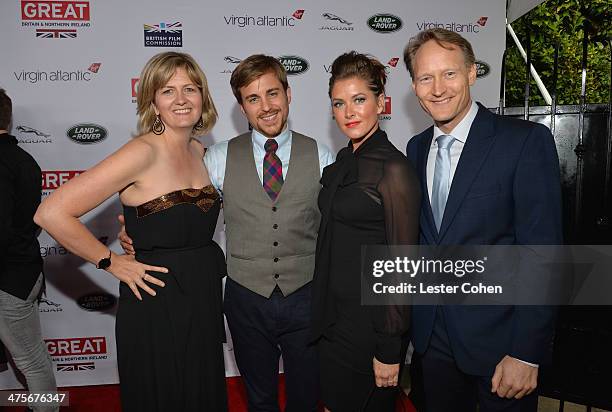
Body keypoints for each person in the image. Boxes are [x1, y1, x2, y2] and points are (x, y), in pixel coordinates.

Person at [119, 54, 335, 411]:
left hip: (307, 298)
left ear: (288, 94)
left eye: (272, 94)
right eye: (253, 98)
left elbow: (338, 225)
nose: (265, 106)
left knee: (306, 396)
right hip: (246, 299)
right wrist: (131, 226)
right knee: (259, 398)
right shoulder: (215, 158)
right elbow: (175, 202)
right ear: (241, 107)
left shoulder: (322, 155)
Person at [34, 52, 228, 411]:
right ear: (152, 102)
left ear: (203, 96)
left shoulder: (201, 151)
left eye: (190, 88)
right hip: (156, 300)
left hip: (201, 295)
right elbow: (52, 212)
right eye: (168, 91)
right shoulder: (140, 152)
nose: (182, 99)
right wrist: (111, 262)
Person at [404, 29, 562, 411]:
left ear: (473, 73)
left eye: (450, 74)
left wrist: (527, 354)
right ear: (414, 85)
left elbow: (542, 255)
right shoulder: (416, 147)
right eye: (426, 77)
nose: (438, 88)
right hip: (433, 345)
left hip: (502, 347)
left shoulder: (524, 142)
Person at [311, 51, 420, 411]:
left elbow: (402, 265)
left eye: (359, 100)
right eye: (339, 103)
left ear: (380, 103)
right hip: (333, 319)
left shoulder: (393, 169)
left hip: (370, 328)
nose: (349, 112)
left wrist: (390, 350)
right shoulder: (344, 161)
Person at [0, 89, 58, 412]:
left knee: (32, 363)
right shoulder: (26, 160)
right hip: (23, 271)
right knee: (34, 359)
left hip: (9, 279)